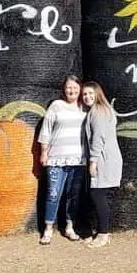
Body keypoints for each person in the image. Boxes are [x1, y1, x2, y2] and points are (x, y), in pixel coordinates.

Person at [38, 75, 87, 245]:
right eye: (68, 87)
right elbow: (46, 129)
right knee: (53, 193)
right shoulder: (56, 106)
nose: (72, 90)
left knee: (73, 195)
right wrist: (44, 152)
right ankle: (48, 229)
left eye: (75, 87)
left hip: (78, 159)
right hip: (55, 158)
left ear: (80, 88)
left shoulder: (84, 107)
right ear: (63, 89)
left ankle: (69, 227)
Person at [81, 81, 122, 248]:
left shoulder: (98, 111)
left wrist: (93, 161)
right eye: (84, 94)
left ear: (98, 94)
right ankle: (101, 232)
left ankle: (103, 235)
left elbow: (98, 138)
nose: (87, 97)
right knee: (97, 195)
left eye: (91, 93)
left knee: (98, 196)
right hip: (106, 158)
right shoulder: (101, 110)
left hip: (103, 159)